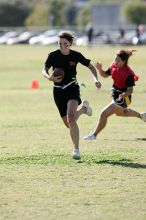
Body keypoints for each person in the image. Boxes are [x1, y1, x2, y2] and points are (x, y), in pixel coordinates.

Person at [42, 31, 101, 159]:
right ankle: (84, 109)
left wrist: (95, 79)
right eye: (60, 44)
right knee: (69, 123)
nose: (63, 46)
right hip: (58, 91)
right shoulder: (52, 55)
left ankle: (76, 150)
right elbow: (44, 70)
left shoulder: (76, 55)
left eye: (66, 44)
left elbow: (91, 67)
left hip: (72, 88)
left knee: (71, 118)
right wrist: (49, 78)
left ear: (70, 44)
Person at [84, 49, 146, 140]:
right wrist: (100, 69)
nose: (115, 62)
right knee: (120, 113)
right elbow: (105, 75)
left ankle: (94, 135)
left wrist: (123, 95)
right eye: (115, 60)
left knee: (104, 113)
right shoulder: (113, 66)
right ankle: (141, 116)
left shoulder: (128, 73)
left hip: (125, 98)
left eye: (118, 61)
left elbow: (130, 90)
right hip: (117, 95)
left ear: (124, 61)